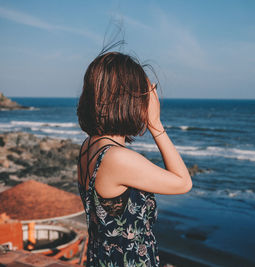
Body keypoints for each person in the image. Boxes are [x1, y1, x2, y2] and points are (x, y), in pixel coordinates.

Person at [77, 51, 192, 267]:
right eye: (146, 94)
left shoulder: (89, 146)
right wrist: (156, 124)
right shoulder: (117, 158)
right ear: (127, 99)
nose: (150, 100)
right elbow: (183, 182)